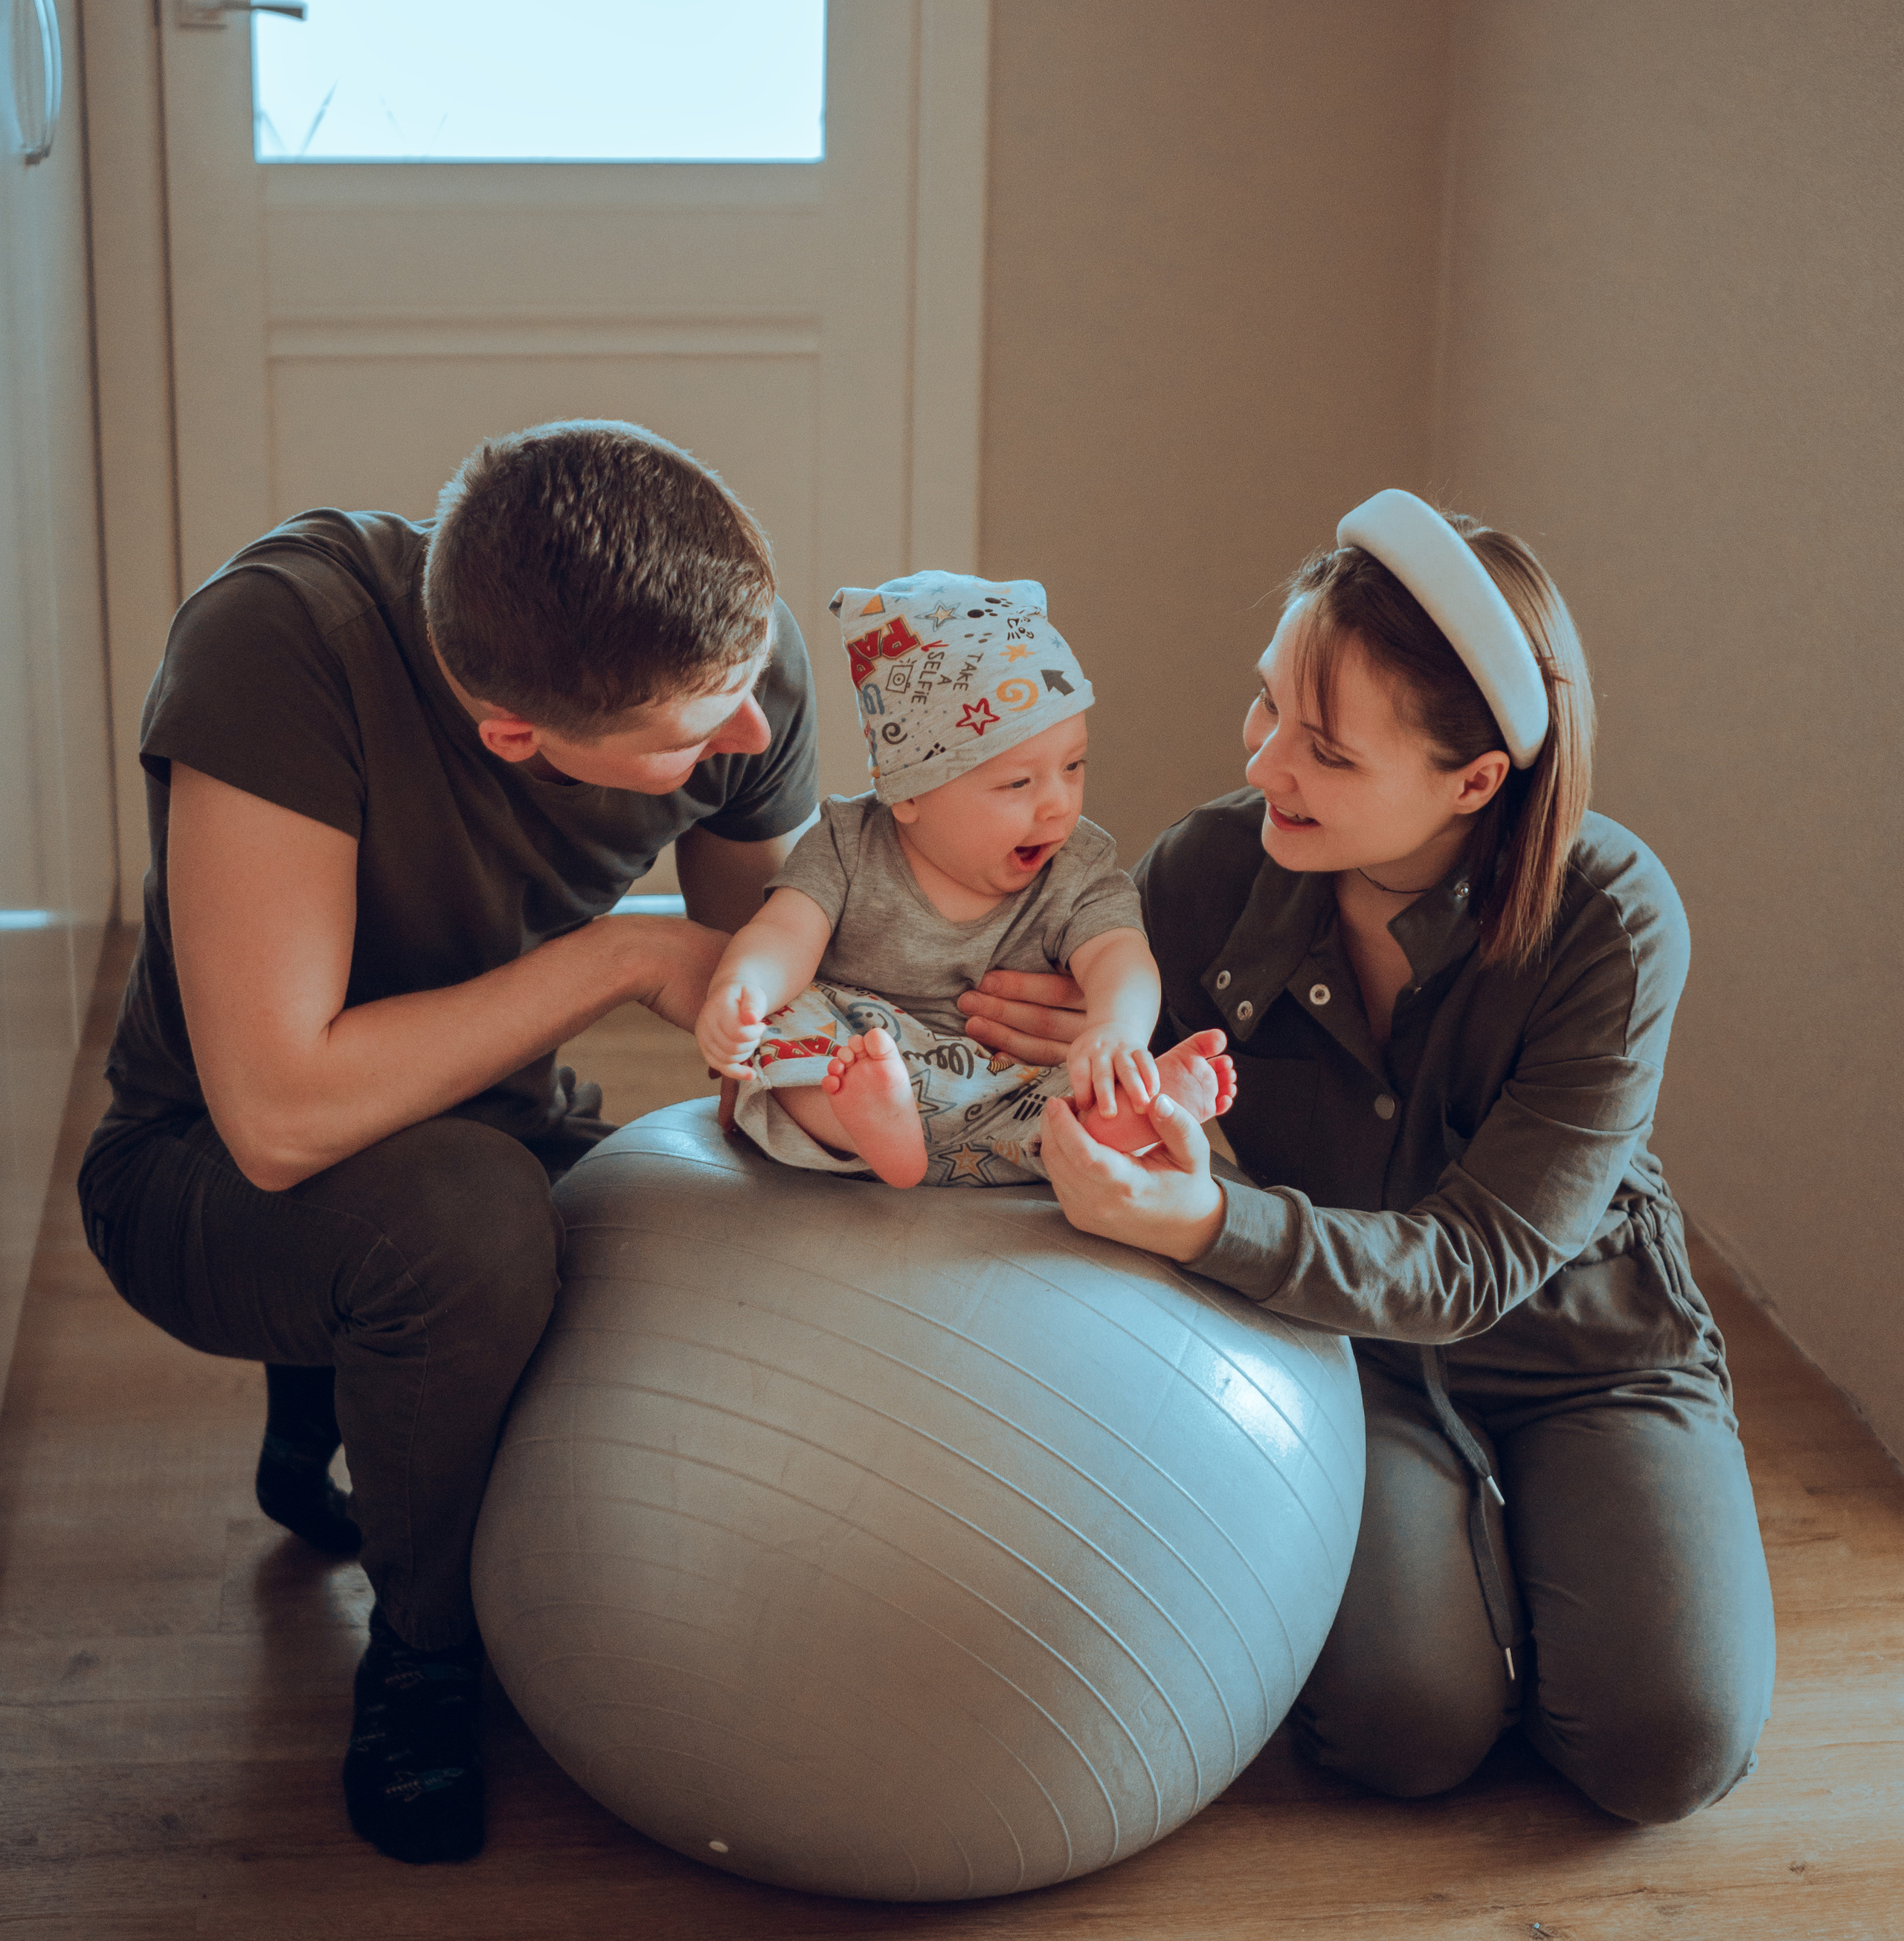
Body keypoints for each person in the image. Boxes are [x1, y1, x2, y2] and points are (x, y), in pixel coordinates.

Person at [955, 490, 1778, 1826]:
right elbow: (1097, 1039)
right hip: (1338, 1351)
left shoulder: (1610, 920)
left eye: (1326, 750)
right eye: (1265, 706)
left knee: (1664, 1746)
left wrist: (1201, 1223)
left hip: (1584, 1346)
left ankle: (1548, 1564)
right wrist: (1081, 1046)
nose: (1266, 761)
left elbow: (1478, 1260)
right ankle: (1475, 1597)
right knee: (1403, 1728)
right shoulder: (1212, 872)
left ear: (1473, 781)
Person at [77, 419, 820, 1865]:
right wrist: (616, 956)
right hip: (202, 1164)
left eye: (746, 692)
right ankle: (423, 1652)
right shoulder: (277, 648)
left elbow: (761, 958)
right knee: (467, 1229)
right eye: (693, 730)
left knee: (647, 1242)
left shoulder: (737, 665)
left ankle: (346, 1384)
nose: (746, 735)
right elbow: (278, 1116)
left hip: (481, 1113)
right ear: (513, 734)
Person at [694, 571, 1234, 1187]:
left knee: (1082, 1082)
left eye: (1073, 765)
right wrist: (745, 990)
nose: (1058, 804)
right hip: (865, 1058)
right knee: (783, 1042)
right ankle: (872, 1128)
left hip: (1014, 1081)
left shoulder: (1076, 866)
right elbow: (786, 929)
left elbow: (1121, 954)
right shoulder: (849, 843)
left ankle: (1130, 1113)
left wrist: (1116, 1030)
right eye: (1018, 783)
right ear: (908, 795)